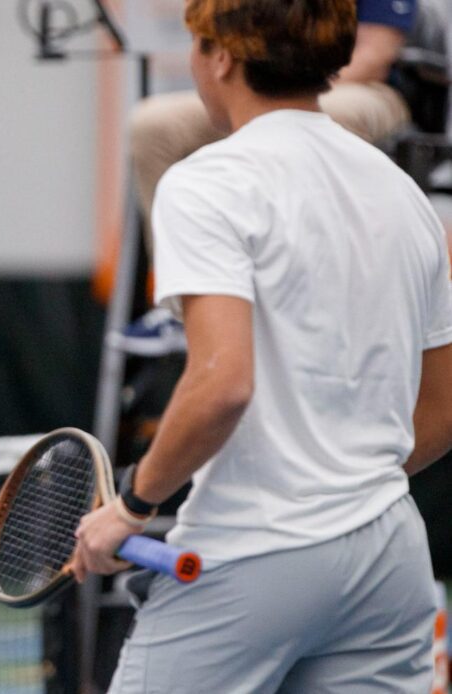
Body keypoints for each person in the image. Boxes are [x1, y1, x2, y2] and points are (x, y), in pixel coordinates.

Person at [71, 0, 452, 691]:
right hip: (390, 559)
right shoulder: (408, 198)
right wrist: (347, 488)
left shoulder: (206, 183)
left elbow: (222, 384)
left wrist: (131, 507)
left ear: (219, 57)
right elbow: (444, 409)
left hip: (251, 556)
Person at [121, 0, 417, 355]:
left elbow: (375, 54)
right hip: (264, 79)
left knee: (326, 113)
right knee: (153, 123)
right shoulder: (185, 190)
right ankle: (184, 304)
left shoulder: (409, 208)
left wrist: (292, 85)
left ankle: (316, 295)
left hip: (358, 87)